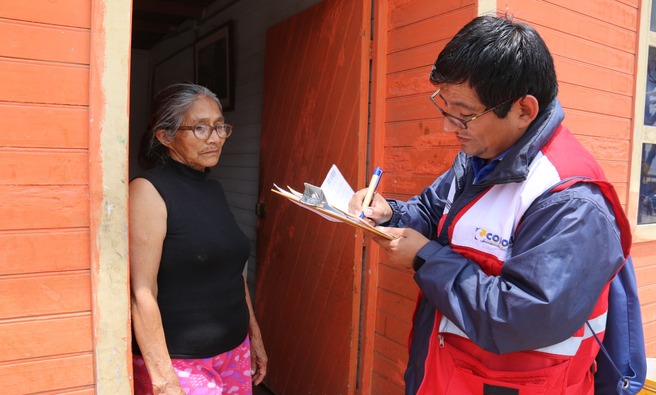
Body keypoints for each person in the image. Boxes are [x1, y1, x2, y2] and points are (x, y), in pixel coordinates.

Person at [349, 15, 645, 395]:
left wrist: (424, 259)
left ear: (524, 110)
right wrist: (388, 212)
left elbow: (520, 315)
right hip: (445, 373)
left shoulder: (570, 202)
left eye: (464, 114)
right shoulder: (478, 157)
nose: (448, 127)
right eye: (445, 108)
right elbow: (430, 212)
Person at [130, 82, 267, 394]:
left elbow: (233, 273)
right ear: (165, 136)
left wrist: (254, 336)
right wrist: (165, 382)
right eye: (201, 128)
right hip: (180, 363)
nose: (216, 138)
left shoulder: (213, 189)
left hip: (234, 350)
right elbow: (142, 293)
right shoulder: (148, 192)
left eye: (220, 126)